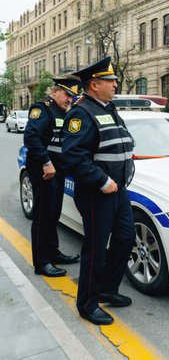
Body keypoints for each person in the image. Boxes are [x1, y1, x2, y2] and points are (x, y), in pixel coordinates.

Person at [61, 57, 136, 326]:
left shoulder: (108, 107)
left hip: (119, 191)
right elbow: (73, 157)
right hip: (97, 193)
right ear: (94, 84)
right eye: (110, 80)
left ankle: (106, 289)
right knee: (96, 248)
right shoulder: (81, 112)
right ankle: (87, 304)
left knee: (127, 237)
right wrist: (103, 181)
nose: (116, 84)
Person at [24, 78, 82, 277]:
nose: (69, 99)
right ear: (55, 91)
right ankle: (41, 263)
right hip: (43, 169)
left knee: (54, 213)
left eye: (72, 96)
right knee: (42, 215)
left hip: (56, 170)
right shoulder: (41, 108)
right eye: (67, 94)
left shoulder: (60, 111)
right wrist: (46, 162)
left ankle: (53, 253)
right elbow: (31, 136)